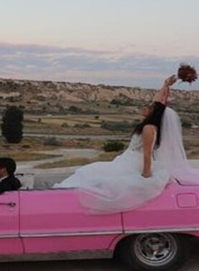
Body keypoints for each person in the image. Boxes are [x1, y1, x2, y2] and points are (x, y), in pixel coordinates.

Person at [54, 75, 178, 213]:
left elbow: (147, 153)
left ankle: (62, 200)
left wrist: (146, 175)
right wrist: (165, 85)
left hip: (132, 162)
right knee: (96, 173)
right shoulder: (150, 124)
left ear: (153, 112)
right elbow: (157, 101)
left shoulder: (148, 128)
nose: (145, 106)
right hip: (128, 159)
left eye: (149, 106)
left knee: (93, 172)